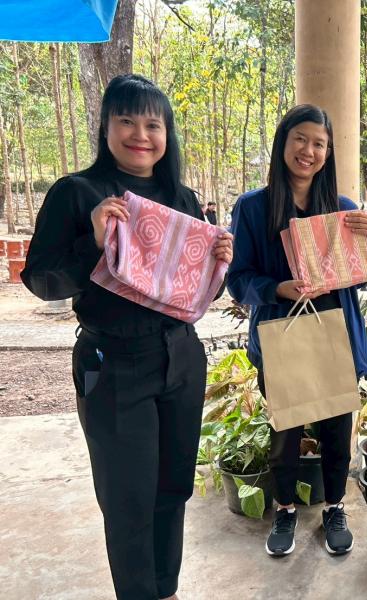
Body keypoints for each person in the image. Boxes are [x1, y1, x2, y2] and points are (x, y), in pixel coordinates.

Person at [21, 74, 233, 600]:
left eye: (153, 124)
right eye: (127, 121)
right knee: (127, 498)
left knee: (173, 487)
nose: (141, 134)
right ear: (105, 127)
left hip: (180, 355)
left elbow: (187, 293)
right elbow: (42, 281)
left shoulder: (183, 198)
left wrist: (217, 265)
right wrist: (94, 240)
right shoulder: (78, 193)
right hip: (111, 359)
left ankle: (166, 588)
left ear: (167, 134)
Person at [227, 104, 367, 557]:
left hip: (334, 334)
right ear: (284, 142)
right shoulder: (253, 208)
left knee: (336, 432)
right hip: (282, 335)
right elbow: (237, 278)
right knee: (285, 434)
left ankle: (335, 506)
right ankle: (285, 509)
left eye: (319, 143)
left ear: (328, 153)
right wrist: (276, 288)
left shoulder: (343, 209)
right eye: (300, 139)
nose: (308, 150)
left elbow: (363, 272)